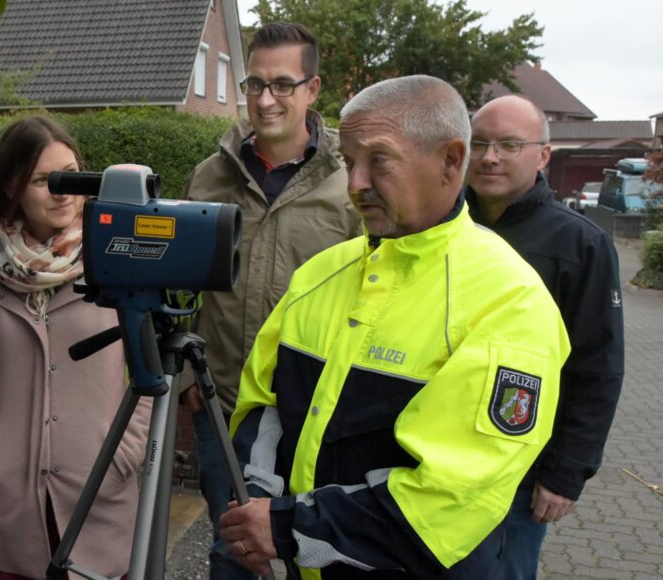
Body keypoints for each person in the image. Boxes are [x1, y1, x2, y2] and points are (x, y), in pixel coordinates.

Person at [217, 75, 571, 579]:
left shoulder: (509, 301)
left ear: (452, 160)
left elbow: (451, 495)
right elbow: (261, 404)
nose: (356, 183)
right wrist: (258, 502)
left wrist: (285, 529)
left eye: (378, 160)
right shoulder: (321, 273)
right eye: (348, 162)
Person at [180, 21, 361, 578]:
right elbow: (185, 289)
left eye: (282, 84)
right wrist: (189, 378)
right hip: (225, 405)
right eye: (254, 84)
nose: (265, 99)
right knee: (232, 546)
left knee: (314, 550)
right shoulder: (209, 177)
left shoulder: (349, 185)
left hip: (313, 413)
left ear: (313, 89)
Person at [0, 117, 151, 579]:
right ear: (10, 186)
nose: (63, 192)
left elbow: (152, 365)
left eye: (71, 174)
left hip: (99, 482)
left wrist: (127, 449)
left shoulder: (119, 252)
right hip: (15, 492)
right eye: (44, 180)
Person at [464, 95, 625, 579]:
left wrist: (565, 473)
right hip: (424, 462)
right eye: (480, 143)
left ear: (543, 155)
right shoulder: (437, 227)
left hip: (517, 476)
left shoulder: (580, 244)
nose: (490, 157)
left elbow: (597, 369)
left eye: (510, 145)